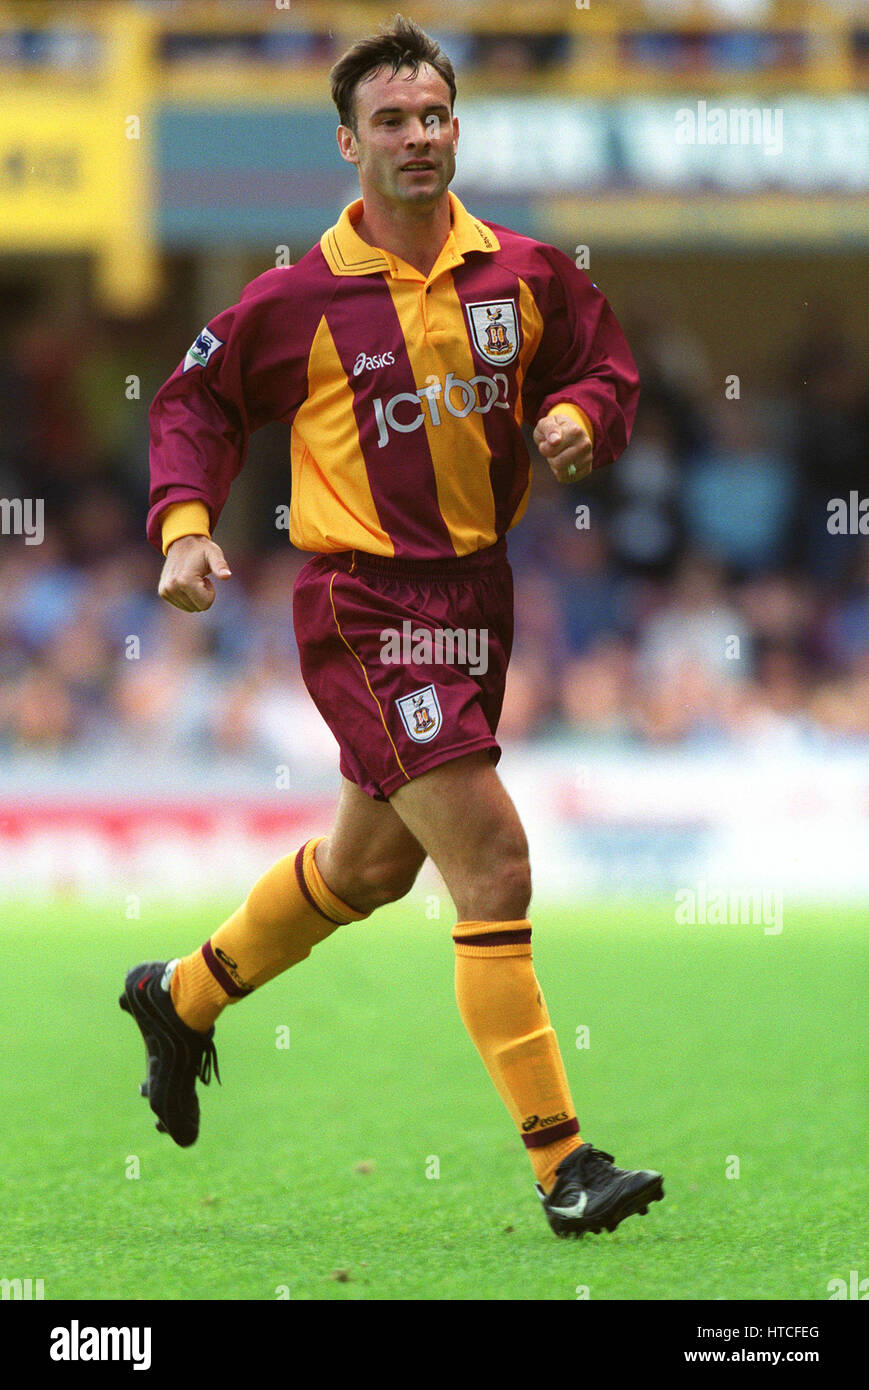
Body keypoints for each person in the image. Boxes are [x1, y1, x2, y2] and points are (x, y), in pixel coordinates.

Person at [120, 15, 663, 1240]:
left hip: (477, 592)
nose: (416, 138)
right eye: (391, 122)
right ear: (347, 143)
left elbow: (602, 365)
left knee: (369, 868)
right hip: (366, 604)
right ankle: (563, 1161)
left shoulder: (525, 271)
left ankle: (182, 995)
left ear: (454, 126)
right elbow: (192, 405)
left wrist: (584, 414)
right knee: (495, 863)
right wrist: (185, 529)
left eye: (433, 117)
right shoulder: (295, 297)